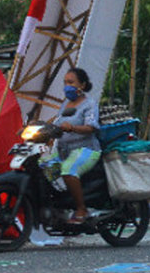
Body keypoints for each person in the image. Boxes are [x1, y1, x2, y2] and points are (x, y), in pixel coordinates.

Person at [49, 67, 101, 223]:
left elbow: (91, 127)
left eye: (71, 82)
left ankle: (81, 209)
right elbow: (57, 125)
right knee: (44, 166)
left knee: (68, 170)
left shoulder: (89, 104)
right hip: (64, 151)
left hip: (86, 150)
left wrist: (72, 128)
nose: (67, 86)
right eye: (65, 82)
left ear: (82, 85)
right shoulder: (66, 104)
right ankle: (58, 206)